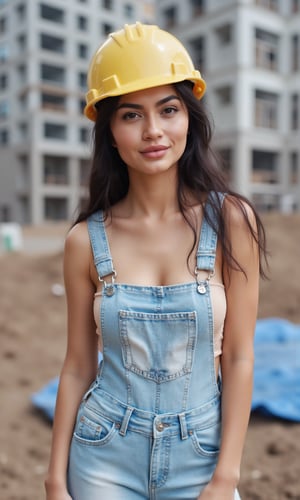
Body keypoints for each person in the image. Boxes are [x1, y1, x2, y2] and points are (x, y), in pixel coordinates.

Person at [45, 22, 267, 500]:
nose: (153, 131)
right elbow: (78, 365)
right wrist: (54, 478)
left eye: (169, 110)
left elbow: (240, 356)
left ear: (189, 117)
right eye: (131, 115)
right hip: (103, 452)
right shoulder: (86, 241)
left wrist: (226, 475)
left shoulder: (231, 222)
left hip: (203, 453)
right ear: (109, 132)